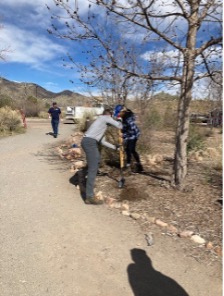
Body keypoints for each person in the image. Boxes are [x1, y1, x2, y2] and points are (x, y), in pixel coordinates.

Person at [81, 109, 122, 205]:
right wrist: (120, 119)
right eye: (111, 117)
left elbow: (103, 142)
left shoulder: (101, 124)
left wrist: (115, 148)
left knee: (96, 160)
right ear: (109, 115)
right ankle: (89, 197)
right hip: (90, 143)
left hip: (88, 142)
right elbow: (120, 126)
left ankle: (89, 188)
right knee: (93, 168)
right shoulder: (105, 117)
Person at [119, 107, 143, 172]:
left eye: (119, 113)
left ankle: (128, 165)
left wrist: (123, 135)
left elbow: (131, 130)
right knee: (131, 150)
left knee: (129, 149)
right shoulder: (125, 117)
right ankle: (139, 165)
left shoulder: (128, 119)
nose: (118, 114)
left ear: (122, 112)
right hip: (131, 135)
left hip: (133, 135)